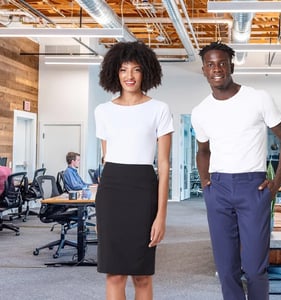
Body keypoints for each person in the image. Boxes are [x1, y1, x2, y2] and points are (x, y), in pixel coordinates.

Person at [191, 41, 281, 300]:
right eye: (211, 65)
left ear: (231, 65)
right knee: (226, 269)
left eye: (222, 63)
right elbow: (203, 151)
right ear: (204, 70)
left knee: (254, 268)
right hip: (218, 189)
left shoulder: (258, 98)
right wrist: (206, 184)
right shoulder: (200, 111)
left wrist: (276, 182)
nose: (217, 69)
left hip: (253, 187)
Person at [94, 41, 173, 300]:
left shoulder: (159, 109)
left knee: (142, 275)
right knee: (114, 274)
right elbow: (108, 159)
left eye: (136, 70)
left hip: (143, 190)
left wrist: (161, 215)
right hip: (112, 191)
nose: (129, 76)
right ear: (114, 73)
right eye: (123, 69)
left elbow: (163, 165)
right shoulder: (103, 111)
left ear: (146, 73)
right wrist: (100, 213)